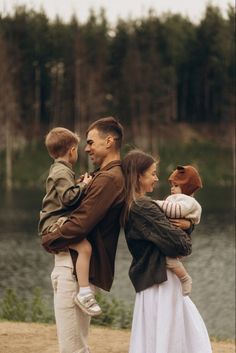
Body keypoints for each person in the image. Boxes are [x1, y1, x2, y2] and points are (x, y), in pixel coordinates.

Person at [41, 117, 125, 353]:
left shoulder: (108, 178)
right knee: (78, 347)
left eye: (91, 142)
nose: (86, 148)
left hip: (72, 269)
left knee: (72, 348)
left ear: (109, 142)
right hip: (75, 267)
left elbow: (80, 224)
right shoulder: (104, 176)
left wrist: (49, 238)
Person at [122, 149, 212, 353]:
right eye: (152, 173)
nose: (156, 178)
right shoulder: (143, 206)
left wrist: (186, 227)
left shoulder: (134, 205)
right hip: (159, 281)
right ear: (138, 176)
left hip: (155, 278)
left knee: (176, 335)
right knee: (171, 339)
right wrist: (188, 228)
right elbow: (182, 246)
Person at [38, 127, 102, 316]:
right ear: (72, 150)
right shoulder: (61, 171)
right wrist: (84, 185)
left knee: (84, 247)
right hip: (53, 223)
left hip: (55, 221)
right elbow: (67, 198)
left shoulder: (60, 170)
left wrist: (79, 184)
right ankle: (83, 293)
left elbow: (67, 193)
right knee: (85, 248)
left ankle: (83, 290)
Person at [155, 165, 203, 296]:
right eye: (172, 185)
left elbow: (176, 210)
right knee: (167, 260)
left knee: (169, 261)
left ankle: (185, 278)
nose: (172, 188)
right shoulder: (175, 199)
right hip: (171, 237)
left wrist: (154, 204)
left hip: (178, 239)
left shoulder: (188, 202)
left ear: (187, 187)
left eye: (176, 185)